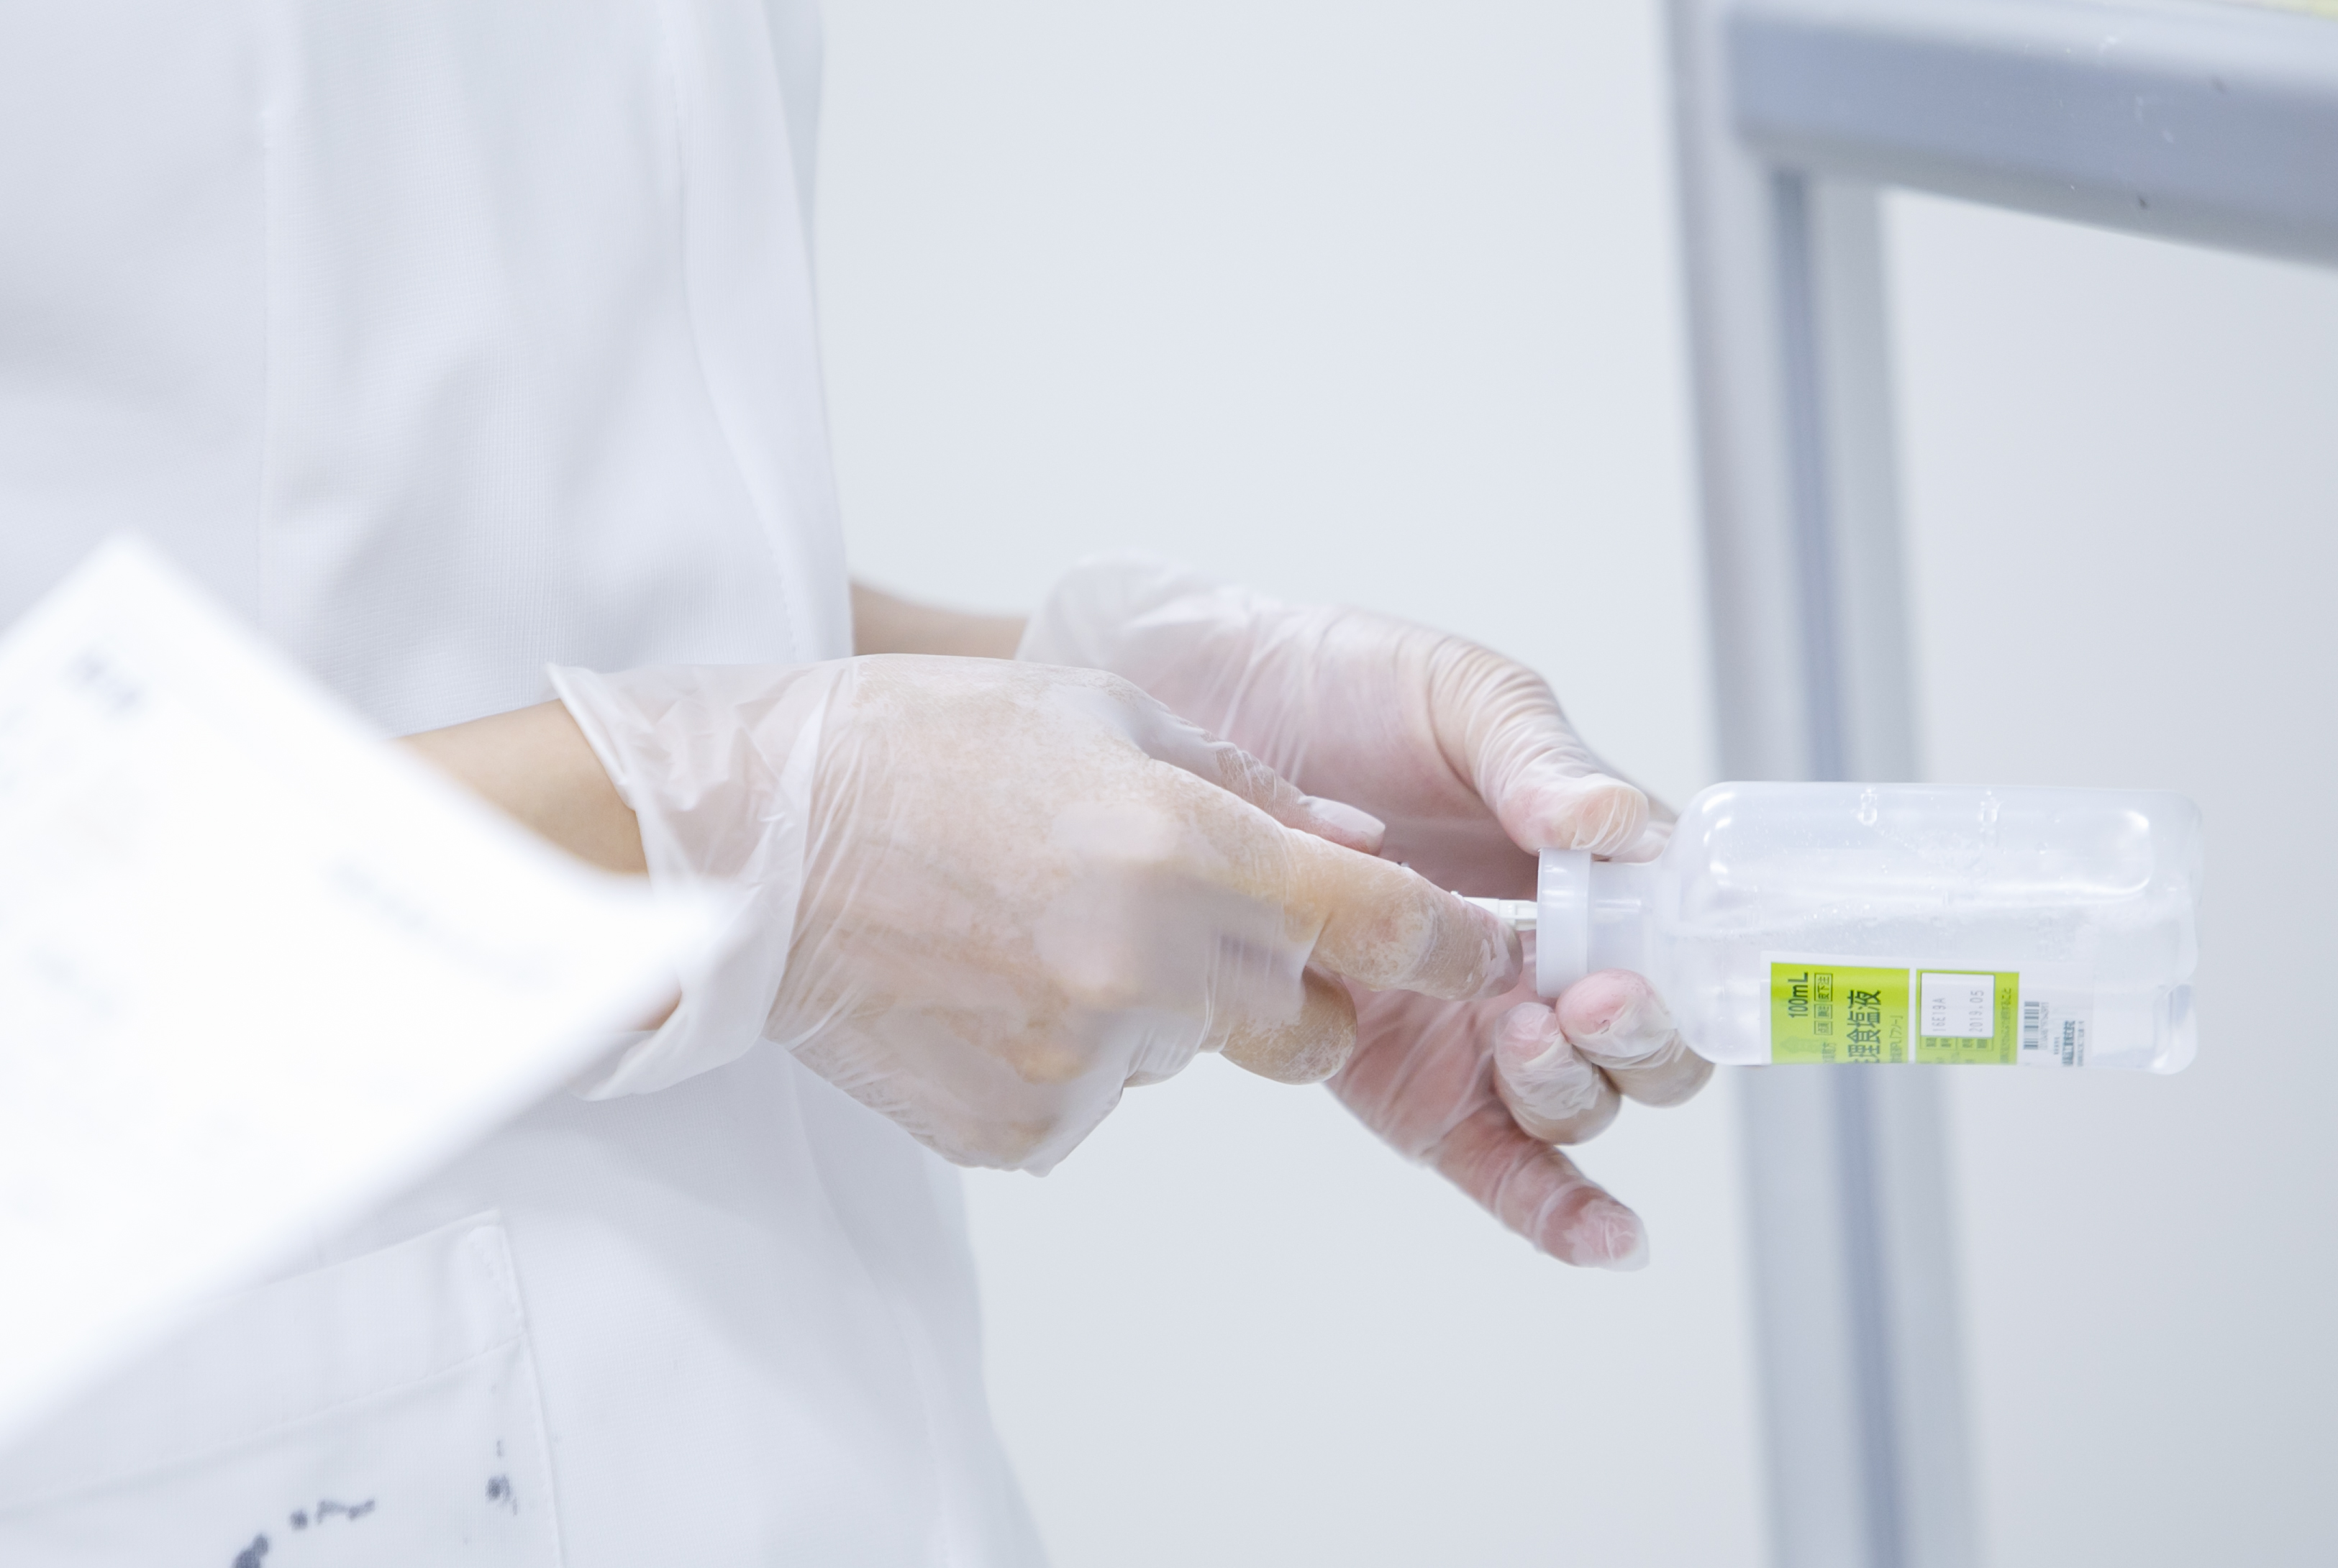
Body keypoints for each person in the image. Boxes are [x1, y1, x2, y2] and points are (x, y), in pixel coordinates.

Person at [0, 3, 1707, 1562]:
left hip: (818, 1403)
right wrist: (733, 846)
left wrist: (1117, 714)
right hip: (223, 1416)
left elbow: (507, 532)